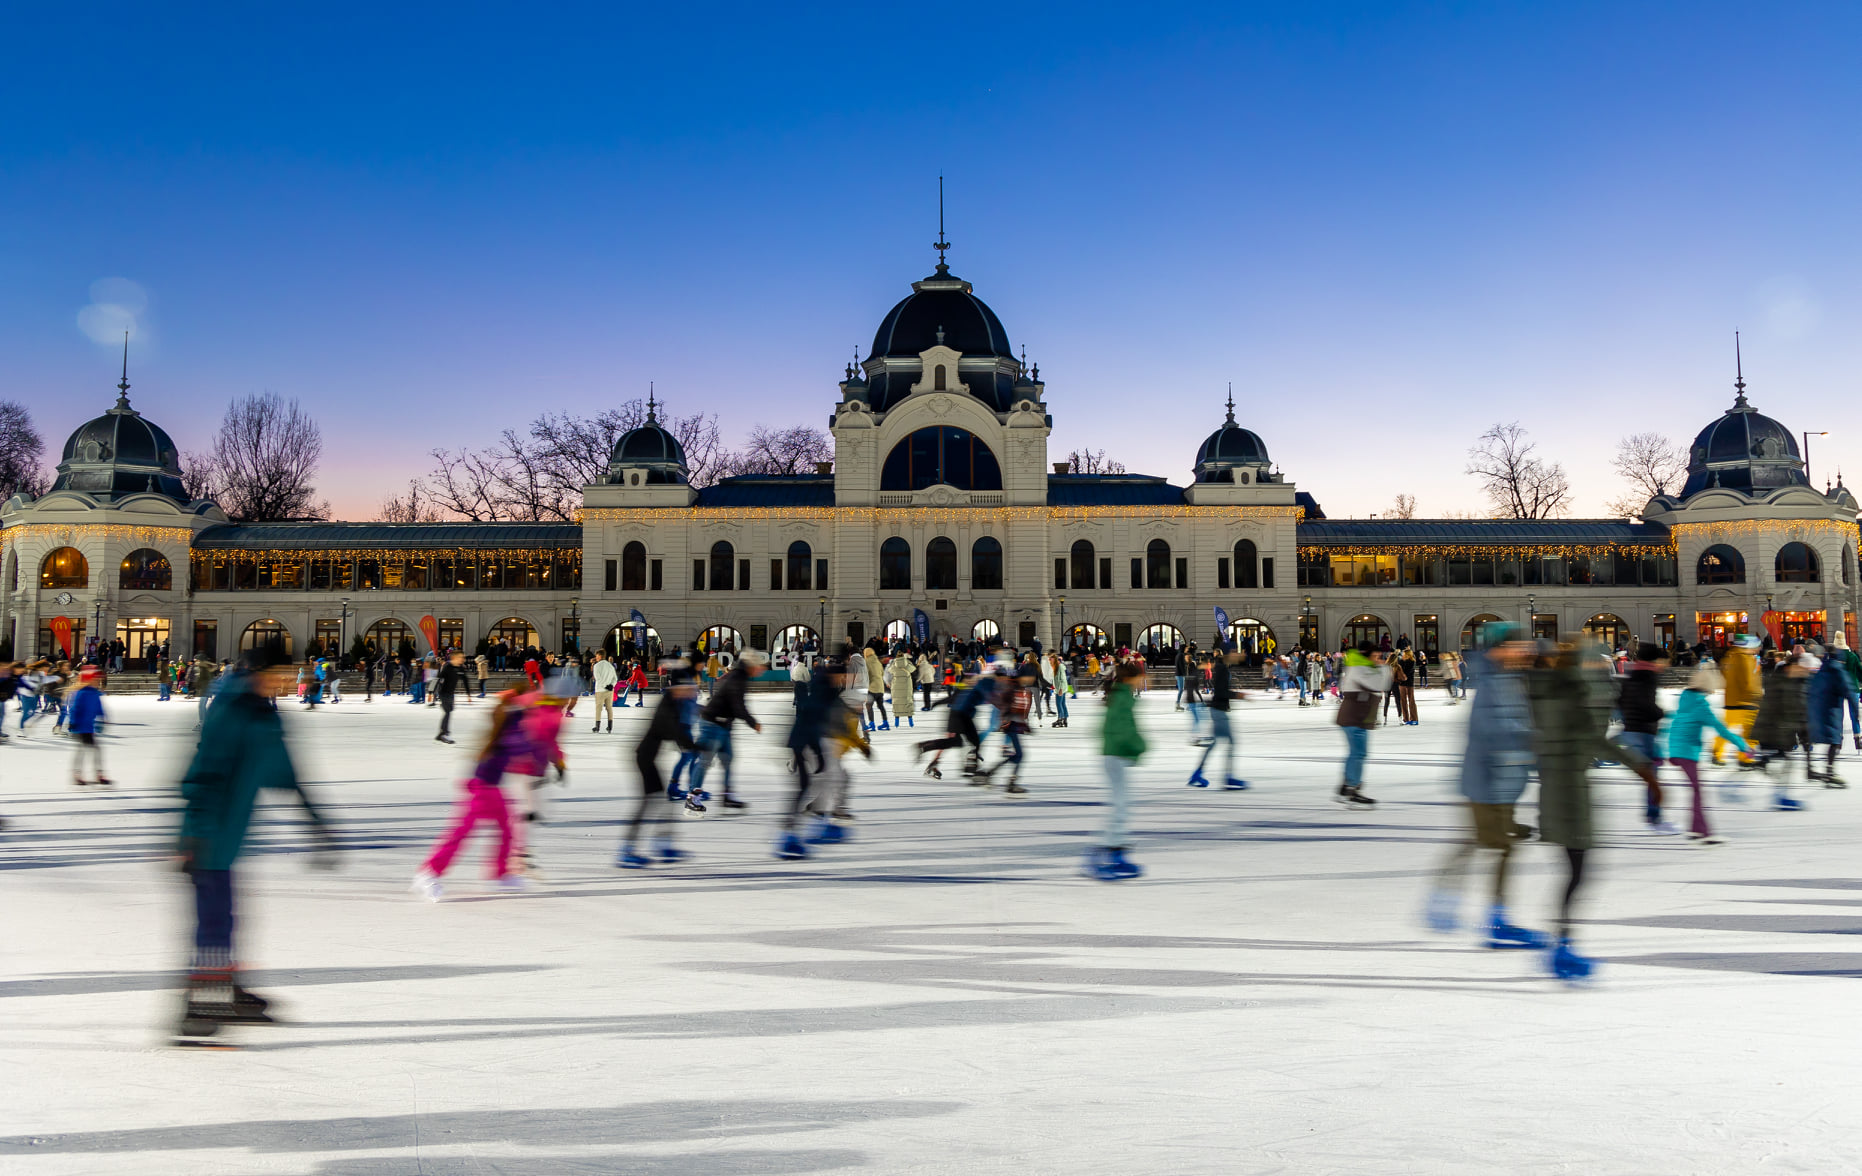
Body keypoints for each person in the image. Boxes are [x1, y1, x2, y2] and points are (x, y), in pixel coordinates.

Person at [176, 648, 334, 1038]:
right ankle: (201, 1007)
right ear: (258, 672)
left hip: (228, 831)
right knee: (213, 920)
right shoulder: (234, 708)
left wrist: (313, 820)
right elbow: (203, 770)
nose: (286, 680)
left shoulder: (260, 708)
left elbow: (282, 767)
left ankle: (225, 991)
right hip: (209, 829)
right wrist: (192, 833)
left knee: (225, 916)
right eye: (280, 673)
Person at [1528, 640, 1657, 983]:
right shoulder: (1568, 700)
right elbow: (1593, 741)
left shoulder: (1553, 695)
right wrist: (1643, 771)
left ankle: (1562, 945)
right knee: (1578, 872)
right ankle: (1561, 947)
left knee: (1575, 872)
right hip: (1569, 793)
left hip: (1559, 790)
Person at [1425, 628, 1538, 945]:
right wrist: (1533, 747)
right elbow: (1495, 732)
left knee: (1485, 843)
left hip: (1499, 782)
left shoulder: (1506, 680)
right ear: (1499, 650)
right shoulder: (1494, 684)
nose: (1524, 651)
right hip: (1488, 783)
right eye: (1517, 647)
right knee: (1499, 847)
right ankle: (1494, 921)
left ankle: (1451, 903)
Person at [412, 681, 539, 899]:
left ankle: (500, 875)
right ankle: (429, 873)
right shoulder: (510, 723)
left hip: (490, 787)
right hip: (482, 788)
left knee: (506, 830)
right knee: (461, 833)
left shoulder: (510, 722)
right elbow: (523, 743)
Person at [616, 673, 699, 867]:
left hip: (648, 758)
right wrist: (693, 747)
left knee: (660, 800)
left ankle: (662, 844)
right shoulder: (667, 707)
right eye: (686, 689)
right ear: (676, 690)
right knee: (647, 803)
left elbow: (676, 731)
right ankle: (627, 850)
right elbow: (673, 731)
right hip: (644, 758)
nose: (688, 693)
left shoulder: (672, 704)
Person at [1665, 662, 1750, 845]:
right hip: (1686, 751)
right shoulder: (1700, 706)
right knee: (1697, 790)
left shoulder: (1686, 697)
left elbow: (1674, 720)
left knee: (1696, 789)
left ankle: (1696, 829)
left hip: (1677, 749)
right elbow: (1722, 730)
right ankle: (1703, 832)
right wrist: (1743, 746)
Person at [1086, 661, 1147, 880]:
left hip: (1114, 755)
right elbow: (1124, 730)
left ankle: (1116, 853)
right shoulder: (1122, 699)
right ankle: (1103, 855)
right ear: (1131, 678)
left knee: (1122, 804)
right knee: (1120, 806)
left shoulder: (1121, 696)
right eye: (1141, 676)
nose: (1142, 680)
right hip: (1115, 756)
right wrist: (1140, 746)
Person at [689, 650, 766, 813]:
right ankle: (692, 798)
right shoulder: (737, 678)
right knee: (705, 761)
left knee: (728, 759)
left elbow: (734, 706)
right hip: (711, 724)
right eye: (758, 666)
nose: (759, 669)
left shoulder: (740, 676)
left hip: (723, 725)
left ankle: (727, 795)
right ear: (751, 665)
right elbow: (738, 706)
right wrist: (753, 723)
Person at [1616, 643, 1675, 834]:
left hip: (1632, 729)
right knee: (1652, 776)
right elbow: (1646, 704)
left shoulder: (1632, 674)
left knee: (1651, 775)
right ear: (1654, 659)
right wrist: (1660, 713)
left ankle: (1653, 816)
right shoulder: (1649, 676)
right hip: (1644, 732)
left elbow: (1620, 700)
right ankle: (1654, 817)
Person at [1750, 651, 1811, 810]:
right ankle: (1781, 797)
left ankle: (1780, 795)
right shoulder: (1784, 684)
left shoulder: (1789, 682)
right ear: (1793, 666)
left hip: (1778, 732)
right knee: (1783, 765)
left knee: (1784, 765)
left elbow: (1797, 712)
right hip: (1772, 732)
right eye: (1802, 667)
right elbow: (1787, 710)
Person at [1335, 642, 1391, 807]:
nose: (1379, 660)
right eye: (1376, 656)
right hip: (1354, 718)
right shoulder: (1359, 669)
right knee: (1359, 753)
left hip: (1358, 718)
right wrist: (1384, 668)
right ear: (1367, 656)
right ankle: (1352, 788)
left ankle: (1347, 787)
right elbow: (1380, 685)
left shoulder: (1362, 667)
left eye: (1380, 657)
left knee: (1356, 753)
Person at [916, 666, 996, 779]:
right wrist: (937, 703)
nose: (973, 681)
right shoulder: (964, 689)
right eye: (970, 679)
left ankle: (933, 762)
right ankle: (931, 758)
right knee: (953, 742)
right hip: (957, 718)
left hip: (960, 718)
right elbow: (952, 699)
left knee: (953, 742)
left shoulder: (967, 689)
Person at [1188, 650, 1247, 790]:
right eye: (1236, 653)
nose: (1239, 656)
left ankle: (1197, 773)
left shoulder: (1221, 668)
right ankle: (1228, 776)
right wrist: (1238, 695)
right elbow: (1221, 692)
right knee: (1231, 742)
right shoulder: (1222, 669)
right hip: (1219, 711)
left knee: (1214, 743)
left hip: (1217, 710)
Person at [1712, 634, 1761, 766]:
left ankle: (1717, 751)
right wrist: (1756, 694)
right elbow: (1749, 680)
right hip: (1747, 700)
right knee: (1749, 732)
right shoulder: (1746, 658)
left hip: (1731, 700)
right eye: (1756, 646)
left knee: (1727, 729)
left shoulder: (1728, 657)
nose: (1758, 649)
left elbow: (1723, 676)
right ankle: (1745, 758)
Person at [1805, 646, 1850, 788]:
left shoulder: (1820, 671)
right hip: (1831, 712)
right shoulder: (1838, 670)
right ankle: (1829, 772)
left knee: (1810, 739)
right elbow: (1847, 690)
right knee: (1835, 740)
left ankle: (1811, 769)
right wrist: (1855, 709)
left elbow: (1810, 690)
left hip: (1816, 712)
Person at [67, 666, 110, 787]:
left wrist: (102, 718)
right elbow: (74, 709)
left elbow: (99, 708)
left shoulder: (95, 693)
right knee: (83, 750)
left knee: (94, 750)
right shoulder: (81, 693)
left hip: (89, 727)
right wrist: (73, 722)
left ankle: (98, 774)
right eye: (95, 680)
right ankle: (78, 774)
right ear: (87, 680)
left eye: (98, 680)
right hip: (80, 727)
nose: (97, 682)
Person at [435, 650, 470, 743]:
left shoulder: (460, 668)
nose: (463, 659)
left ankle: (441, 734)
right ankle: (444, 733)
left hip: (451, 693)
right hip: (443, 693)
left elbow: (465, 680)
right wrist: (431, 692)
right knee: (447, 712)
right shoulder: (447, 666)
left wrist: (468, 694)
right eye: (461, 657)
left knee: (449, 711)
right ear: (454, 658)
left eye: (463, 657)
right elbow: (438, 678)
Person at [862, 645, 890, 732]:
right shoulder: (878, 662)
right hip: (880, 687)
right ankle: (885, 722)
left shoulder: (866, 662)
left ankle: (872, 723)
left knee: (869, 706)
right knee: (880, 705)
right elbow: (882, 673)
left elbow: (866, 675)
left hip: (872, 688)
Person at [590, 649, 618, 733]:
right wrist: (611, 685)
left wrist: (605, 686)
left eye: (597, 656)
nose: (596, 657)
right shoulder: (610, 666)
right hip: (609, 691)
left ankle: (597, 726)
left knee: (599, 708)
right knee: (609, 708)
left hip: (600, 690)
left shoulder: (597, 666)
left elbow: (598, 678)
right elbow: (615, 678)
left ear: (600, 656)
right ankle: (610, 726)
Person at [888, 650, 917, 730]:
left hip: (896, 685)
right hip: (906, 685)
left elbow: (889, 670)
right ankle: (910, 721)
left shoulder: (894, 664)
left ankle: (896, 722)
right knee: (907, 701)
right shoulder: (907, 663)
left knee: (897, 702)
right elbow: (913, 669)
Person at [1047, 651, 1071, 728]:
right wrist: (1053, 686)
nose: (1050, 662)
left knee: (1059, 703)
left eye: (1050, 660)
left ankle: (1060, 718)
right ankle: (1064, 718)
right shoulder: (1056, 667)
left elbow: (1062, 679)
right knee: (1062, 703)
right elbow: (1056, 679)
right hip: (1060, 688)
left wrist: (1060, 689)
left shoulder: (1059, 667)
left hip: (1061, 688)